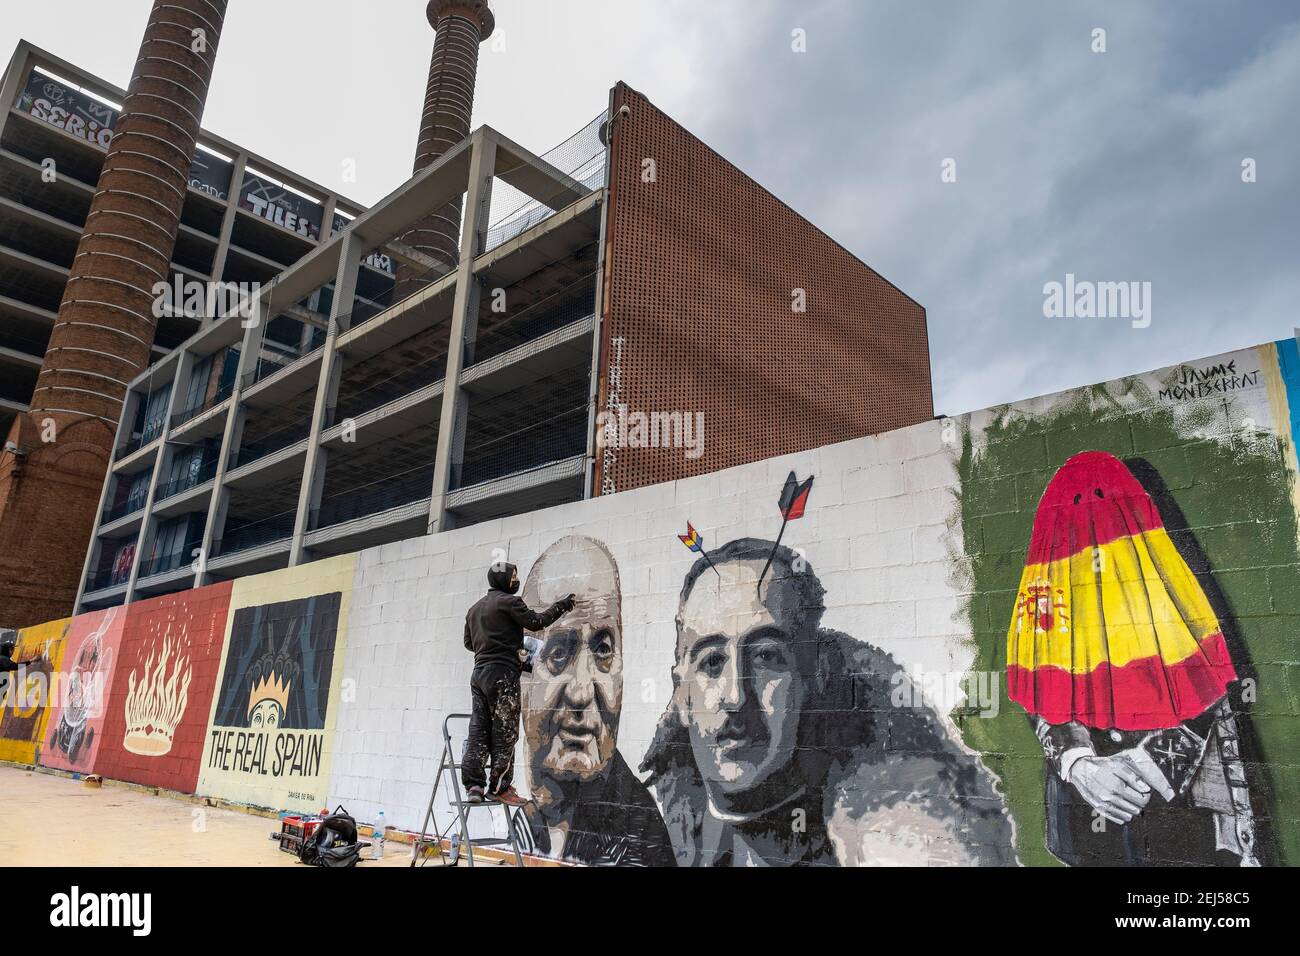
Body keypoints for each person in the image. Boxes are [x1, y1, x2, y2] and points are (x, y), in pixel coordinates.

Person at [642, 538, 1015, 866]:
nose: (736, 697)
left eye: (766, 657)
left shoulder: (884, 822)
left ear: (811, 676)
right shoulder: (653, 819)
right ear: (683, 693)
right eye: (711, 662)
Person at [519, 536, 675, 866]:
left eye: (604, 649)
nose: (581, 692)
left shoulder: (640, 843)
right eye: (558, 652)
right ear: (522, 676)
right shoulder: (523, 818)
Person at [462, 560, 574, 806]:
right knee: (505, 731)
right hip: (503, 676)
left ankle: (474, 785)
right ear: (504, 581)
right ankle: (500, 787)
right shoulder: (510, 602)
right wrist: (563, 605)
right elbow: (537, 622)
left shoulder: (474, 609)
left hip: (479, 675)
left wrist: (493, 644)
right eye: (514, 576)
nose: (516, 580)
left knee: (479, 730)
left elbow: (469, 644)